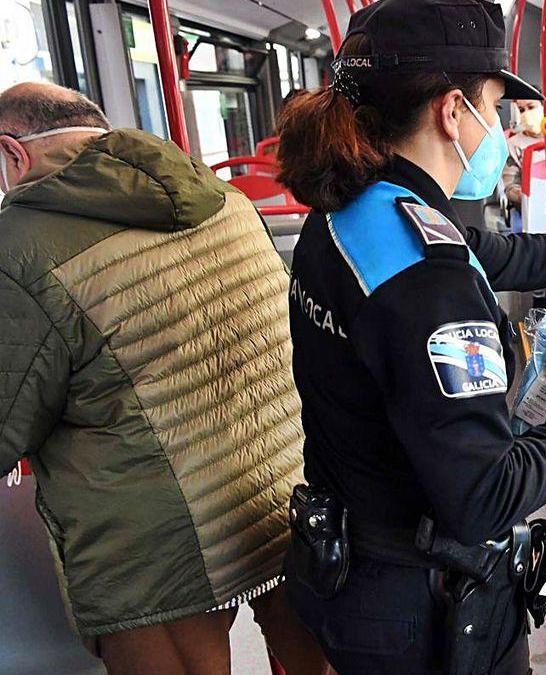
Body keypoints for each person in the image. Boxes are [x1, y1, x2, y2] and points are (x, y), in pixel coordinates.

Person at [272, 2, 546, 673]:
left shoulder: (351, 213)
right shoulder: (428, 279)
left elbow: (499, 251)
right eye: (497, 108)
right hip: (423, 604)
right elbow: (485, 498)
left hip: (350, 562)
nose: (503, 129)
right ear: (453, 112)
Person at [0, 83, 329, 674]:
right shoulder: (223, 199)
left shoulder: (20, 249)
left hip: (155, 548)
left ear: (14, 154)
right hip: (284, 492)